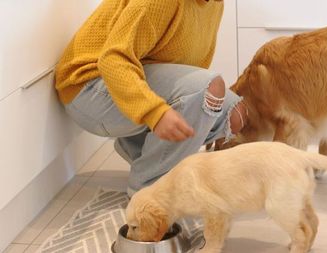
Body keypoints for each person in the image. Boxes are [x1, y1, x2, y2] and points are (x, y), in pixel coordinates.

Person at [54, 0, 247, 198]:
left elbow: (191, 68)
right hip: (89, 88)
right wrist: (154, 112)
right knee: (210, 88)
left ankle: (138, 146)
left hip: (134, 78)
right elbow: (113, 59)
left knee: (235, 114)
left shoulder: (215, 4)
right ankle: (148, 192)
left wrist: (185, 109)